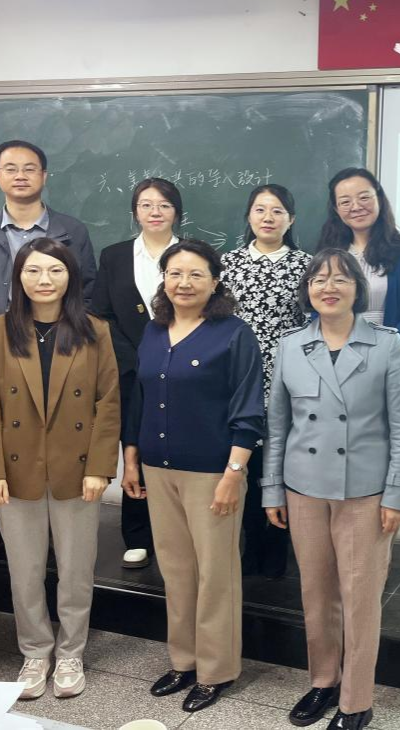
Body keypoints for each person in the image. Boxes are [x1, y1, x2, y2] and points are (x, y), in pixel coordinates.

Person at [262, 248, 400, 730]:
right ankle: (323, 682)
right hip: (304, 487)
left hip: (364, 491)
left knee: (360, 597)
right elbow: (278, 425)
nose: (328, 288)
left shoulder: (386, 345)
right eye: (318, 279)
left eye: (340, 279)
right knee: (316, 593)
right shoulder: (291, 345)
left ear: (357, 289)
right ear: (307, 290)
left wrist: (397, 493)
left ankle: (356, 700)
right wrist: (271, 489)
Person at [0, 237, 120, 700]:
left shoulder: (94, 330)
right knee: (24, 569)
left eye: (55, 270)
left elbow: (107, 403)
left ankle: (71, 651)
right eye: (33, 270)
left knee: (76, 570)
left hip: (77, 468)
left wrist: (100, 467)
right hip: (14, 470)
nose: (44, 280)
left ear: (70, 277)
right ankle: (35, 652)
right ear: (18, 277)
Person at [122, 239, 264, 714]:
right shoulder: (153, 330)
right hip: (158, 469)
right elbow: (139, 399)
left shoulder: (233, 334)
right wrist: (131, 459)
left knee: (215, 574)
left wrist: (234, 473)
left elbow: (249, 408)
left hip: (212, 472)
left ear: (215, 281)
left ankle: (216, 670)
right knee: (176, 570)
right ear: (163, 279)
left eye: (196, 274)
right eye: (175, 273)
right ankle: (183, 661)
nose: (184, 282)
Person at [0, 139, 98, 560]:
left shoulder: (71, 230)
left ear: (44, 175)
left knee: (53, 429)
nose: (21, 175)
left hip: (59, 345)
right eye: (11, 168)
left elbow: (87, 288)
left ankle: (54, 530)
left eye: (30, 168)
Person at [91, 177, 183, 570]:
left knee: (179, 445)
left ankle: (177, 532)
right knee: (136, 444)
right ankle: (139, 535)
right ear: (135, 212)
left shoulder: (193, 254)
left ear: (177, 211)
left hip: (184, 369)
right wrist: (137, 357)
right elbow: (101, 314)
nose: (155, 212)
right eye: (146, 204)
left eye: (164, 205)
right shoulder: (114, 256)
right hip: (130, 369)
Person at [220, 184, 311, 580]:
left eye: (277, 211)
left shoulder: (307, 266)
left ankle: (275, 555)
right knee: (241, 461)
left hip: (287, 380)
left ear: (291, 220)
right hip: (236, 378)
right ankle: (244, 550)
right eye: (260, 209)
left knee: (277, 465)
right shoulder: (227, 263)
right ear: (249, 216)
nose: (268, 217)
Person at [318, 168, 400, 480]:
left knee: (390, 441)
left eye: (364, 197)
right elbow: (318, 308)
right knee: (341, 440)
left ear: (379, 199)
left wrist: (383, 355)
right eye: (345, 201)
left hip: (391, 358)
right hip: (337, 361)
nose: (356, 206)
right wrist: (335, 356)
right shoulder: (329, 254)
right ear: (336, 209)